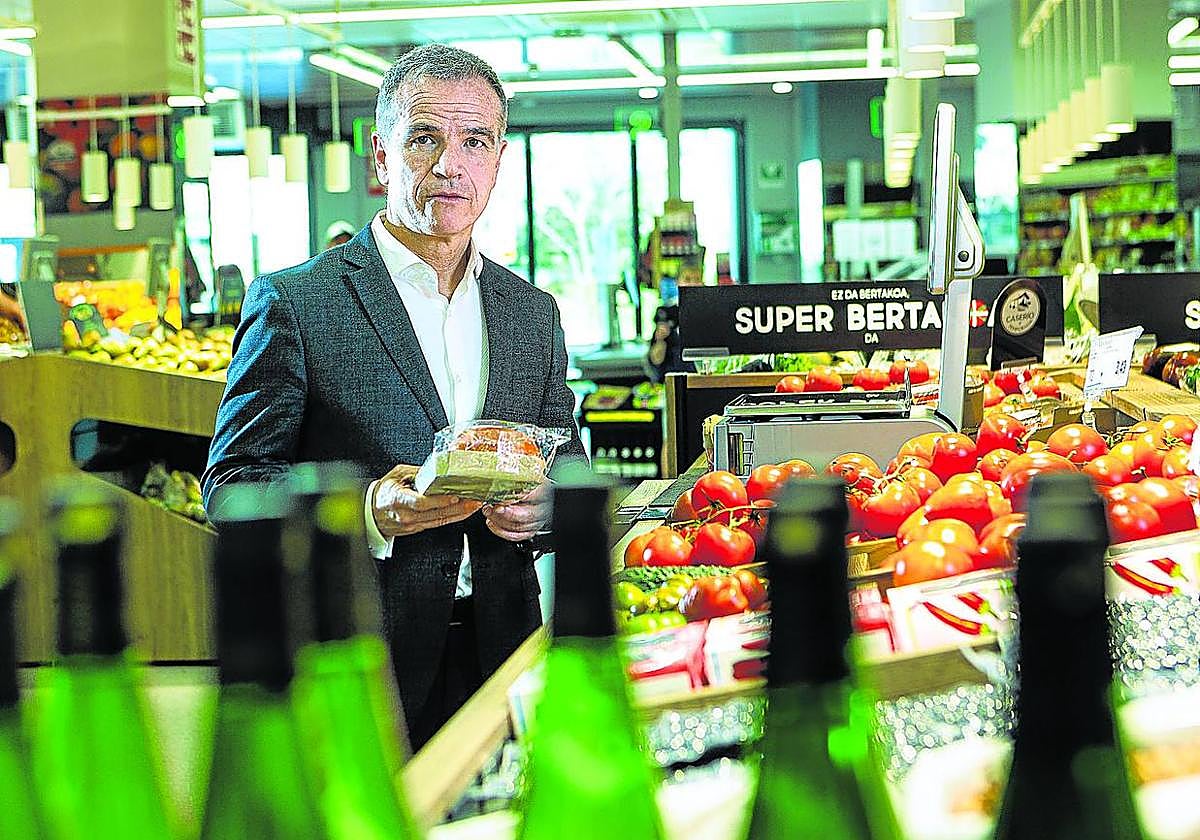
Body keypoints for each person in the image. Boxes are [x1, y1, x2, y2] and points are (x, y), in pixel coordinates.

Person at [202, 43, 585, 748]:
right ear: (381, 156)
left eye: (475, 141)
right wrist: (369, 511)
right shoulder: (297, 302)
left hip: (507, 652)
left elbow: (566, 461)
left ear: (499, 161)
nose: (450, 164)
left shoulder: (532, 313)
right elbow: (232, 489)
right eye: (424, 138)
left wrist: (547, 504)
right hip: (358, 661)